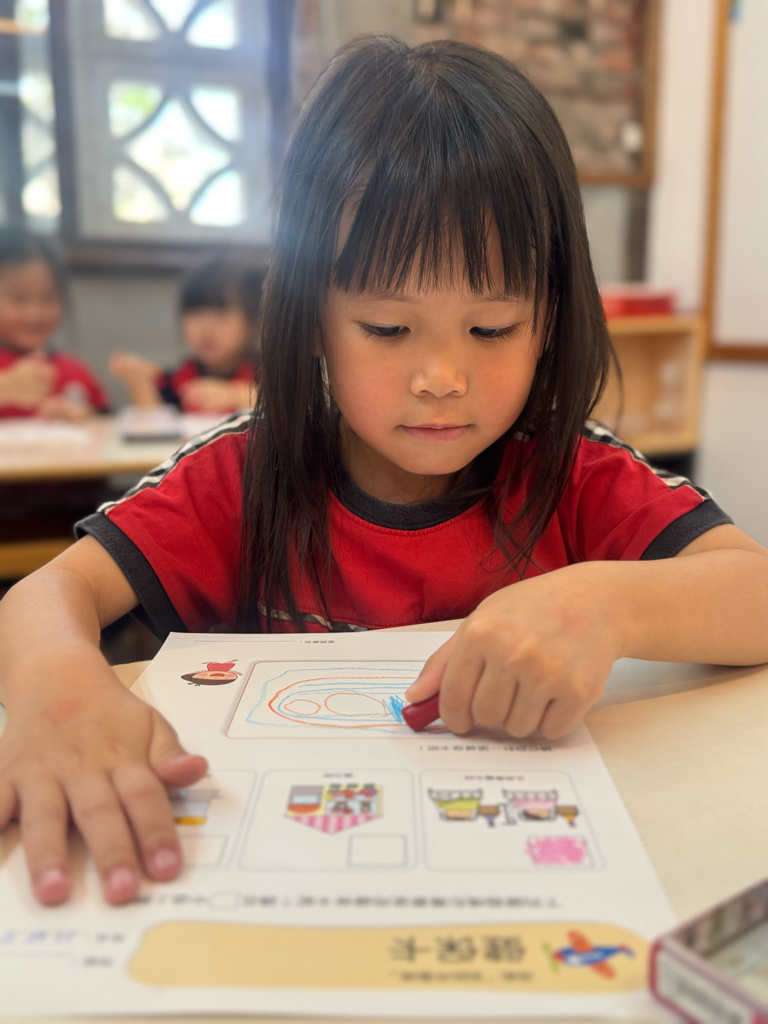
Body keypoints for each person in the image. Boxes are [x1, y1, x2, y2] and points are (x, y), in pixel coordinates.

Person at [1, 34, 767, 909]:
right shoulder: (246, 474)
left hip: (515, 874)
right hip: (290, 877)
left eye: (491, 329)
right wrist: (58, 690)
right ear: (309, 316)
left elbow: (754, 590)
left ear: (549, 318)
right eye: (388, 329)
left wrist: (608, 603)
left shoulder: (573, 472)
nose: (441, 377)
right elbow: (46, 593)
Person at [109, 252, 261, 414]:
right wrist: (139, 383)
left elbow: (275, 405)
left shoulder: (265, 372)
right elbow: (155, 419)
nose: (206, 328)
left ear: (252, 320)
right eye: (195, 313)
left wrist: (233, 395)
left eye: (220, 315)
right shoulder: (180, 377)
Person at [0, 226, 109, 419]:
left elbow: (105, 419)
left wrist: (83, 416)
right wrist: (6, 388)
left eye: (48, 298)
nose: (34, 314)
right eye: (19, 299)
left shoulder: (76, 371)